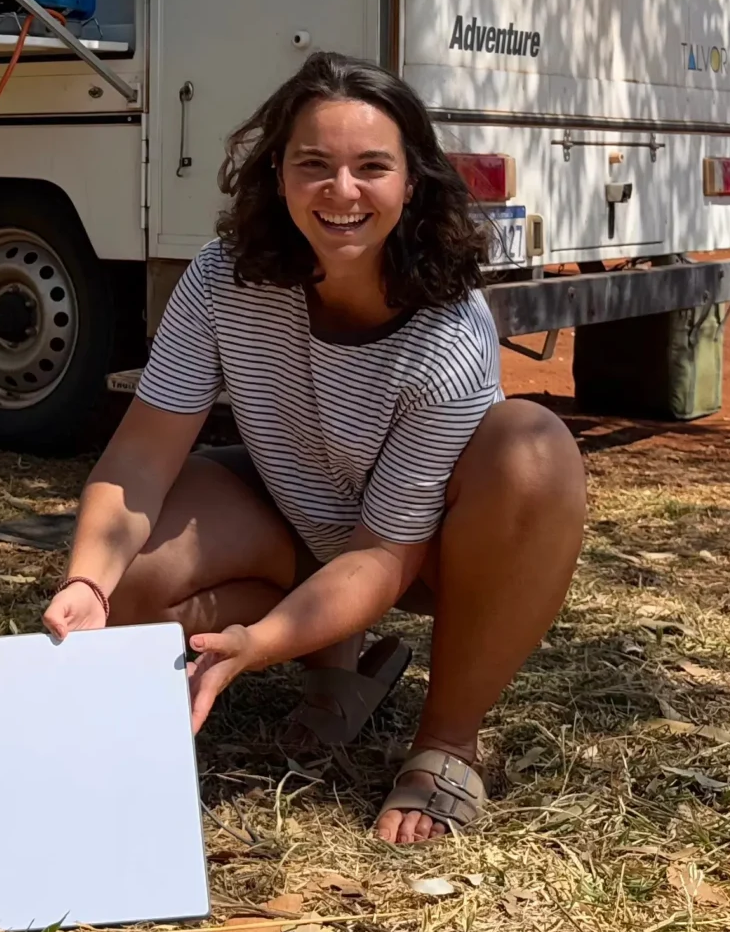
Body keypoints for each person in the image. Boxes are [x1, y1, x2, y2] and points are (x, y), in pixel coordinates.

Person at [41, 53, 586, 843]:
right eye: (314, 166)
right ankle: (341, 671)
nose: (342, 192)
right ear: (276, 174)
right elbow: (139, 460)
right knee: (129, 589)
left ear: (412, 182)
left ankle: (445, 742)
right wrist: (88, 581)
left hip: (429, 553)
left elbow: (383, 556)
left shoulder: (448, 328)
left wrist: (261, 642)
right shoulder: (224, 277)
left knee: (534, 447)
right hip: (301, 518)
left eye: (372, 167)